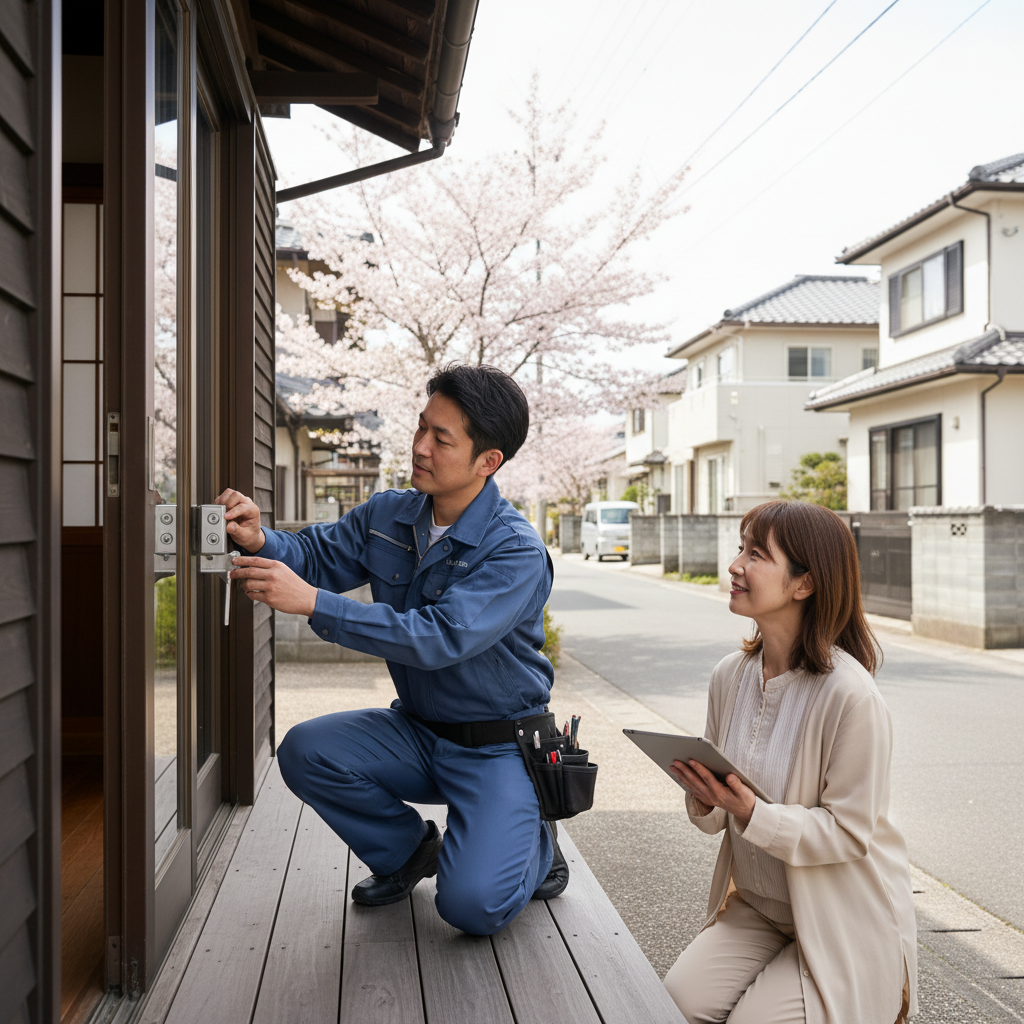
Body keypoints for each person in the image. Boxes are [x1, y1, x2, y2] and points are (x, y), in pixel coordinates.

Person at [216, 363, 566, 936]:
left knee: (471, 908)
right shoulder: (390, 514)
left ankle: (535, 842)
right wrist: (260, 540)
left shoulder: (516, 551)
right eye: (421, 427)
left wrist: (316, 606)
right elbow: (316, 554)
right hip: (419, 731)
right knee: (306, 751)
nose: (421, 446)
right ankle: (409, 853)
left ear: (488, 461)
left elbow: (440, 637)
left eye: (441, 438)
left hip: (498, 747)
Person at [664, 500, 916, 1024]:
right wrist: (702, 793)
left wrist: (753, 812)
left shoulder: (851, 696)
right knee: (673, 1004)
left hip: (842, 915)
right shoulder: (729, 675)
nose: (735, 565)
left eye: (756, 554)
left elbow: (848, 833)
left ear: (804, 584)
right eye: (740, 549)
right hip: (760, 906)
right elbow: (713, 819)